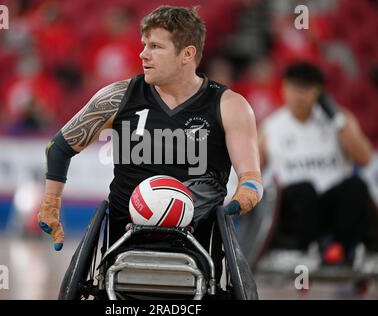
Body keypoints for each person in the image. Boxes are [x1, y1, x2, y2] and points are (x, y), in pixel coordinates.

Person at [37, 6, 263, 281]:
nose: (143, 54)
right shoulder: (118, 97)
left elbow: (251, 181)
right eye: (144, 45)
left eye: (155, 46)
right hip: (125, 239)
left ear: (187, 54)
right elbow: (58, 148)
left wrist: (234, 206)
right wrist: (51, 203)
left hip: (197, 241)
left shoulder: (230, 106)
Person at [259, 62, 374, 263]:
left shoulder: (339, 120)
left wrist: (336, 119)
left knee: (356, 186)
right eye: (294, 87)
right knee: (304, 190)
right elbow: (252, 171)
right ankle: (305, 250)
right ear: (284, 88)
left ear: (319, 92)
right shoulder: (270, 128)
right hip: (294, 208)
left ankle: (342, 251)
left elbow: (364, 158)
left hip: (331, 205)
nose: (300, 95)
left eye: (307, 88)